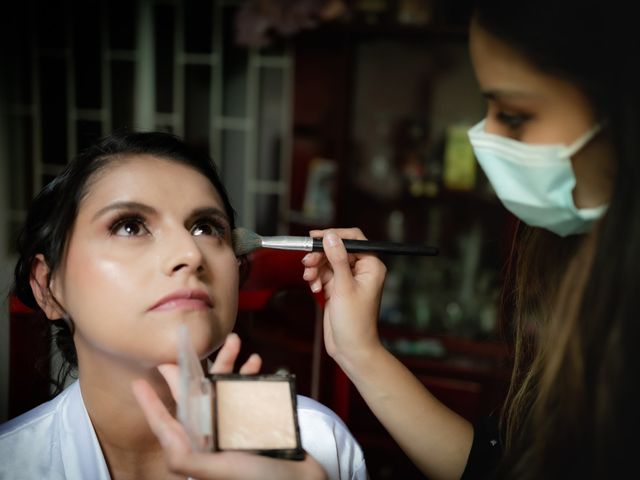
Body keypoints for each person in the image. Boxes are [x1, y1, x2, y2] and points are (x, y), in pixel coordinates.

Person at [302, 1, 637, 479]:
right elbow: (499, 468)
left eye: (515, 115)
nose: (486, 137)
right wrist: (359, 350)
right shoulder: (586, 270)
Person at [0, 131, 367, 480]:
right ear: (48, 287)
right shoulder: (12, 461)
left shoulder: (317, 441)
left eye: (206, 228)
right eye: (129, 226)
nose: (190, 255)